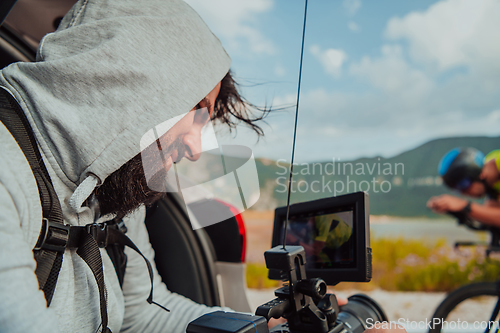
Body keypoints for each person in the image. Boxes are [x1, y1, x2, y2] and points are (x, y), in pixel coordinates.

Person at [0, 0, 266, 332]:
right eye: (197, 110)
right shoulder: (6, 167)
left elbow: (144, 315)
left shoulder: (113, 191)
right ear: (133, 79)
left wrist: (261, 326)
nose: (196, 148)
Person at [427, 147, 500, 227]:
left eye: (463, 184)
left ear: (478, 173)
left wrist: (464, 206)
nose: (463, 193)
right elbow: (490, 215)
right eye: (456, 189)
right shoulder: (492, 187)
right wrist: (456, 211)